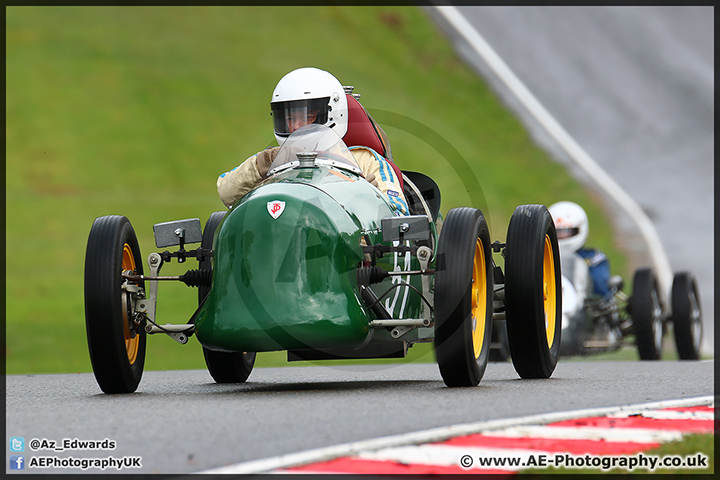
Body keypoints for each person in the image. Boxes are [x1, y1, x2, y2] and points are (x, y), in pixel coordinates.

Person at [217, 67, 409, 215]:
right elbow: (226, 193)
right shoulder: (272, 161)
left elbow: (399, 217)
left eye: (308, 116)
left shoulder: (366, 161)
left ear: (333, 112)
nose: (296, 126)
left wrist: (369, 199)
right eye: (290, 118)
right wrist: (262, 163)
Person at [548, 201, 611, 297]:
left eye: (567, 232)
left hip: (583, 307)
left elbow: (603, 292)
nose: (562, 236)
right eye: (558, 233)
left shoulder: (593, 259)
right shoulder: (542, 259)